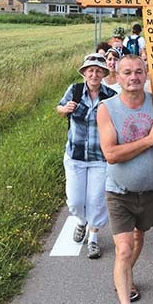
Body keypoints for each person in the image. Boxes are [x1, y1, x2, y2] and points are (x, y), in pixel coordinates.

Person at [97, 54, 153, 304]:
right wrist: (149, 140)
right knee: (123, 249)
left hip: (150, 191)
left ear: (146, 75)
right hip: (119, 191)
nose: (133, 77)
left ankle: (124, 274)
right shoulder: (107, 109)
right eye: (127, 72)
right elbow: (111, 154)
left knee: (137, 238)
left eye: (138, 72)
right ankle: (124, 296)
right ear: (118, 76)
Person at [56, 53, 117, 260]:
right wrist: (65, 109)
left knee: (96, 200)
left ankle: (93, 239)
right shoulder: (74, 91)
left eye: (98, 71)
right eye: (90, 70)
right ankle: (81, 221)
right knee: (75, 201)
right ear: (84, 73)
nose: (94, 74)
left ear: (103, 74)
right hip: (75, 155)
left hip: (100, 157)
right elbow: (59, 108)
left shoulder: (110, 96)